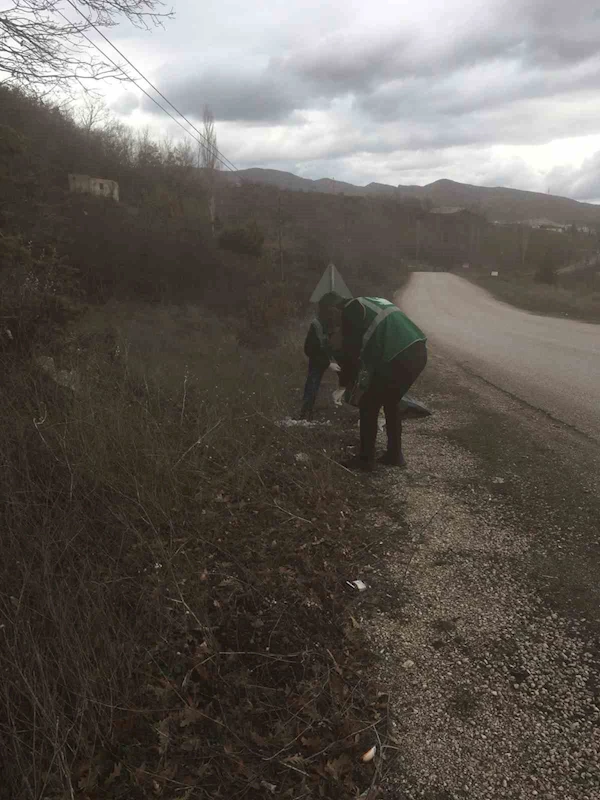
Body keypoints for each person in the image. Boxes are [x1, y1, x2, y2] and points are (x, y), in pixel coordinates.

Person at [334, 295, 427, 471]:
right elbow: (367, 356)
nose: (338, 326)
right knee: (391, 401)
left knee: (368, 403)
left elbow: (350, 353)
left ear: (336, 309)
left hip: (400, 355)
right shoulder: (370, 303)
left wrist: (344, 384)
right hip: (418, 351)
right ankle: (394, 455)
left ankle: (366, 459)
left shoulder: (350, 310)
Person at [299, 292, 344, 420]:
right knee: (313, 381)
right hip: (319, 355)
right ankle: (305, 413)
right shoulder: (316, 325)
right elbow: (309, 350)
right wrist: (328, 363)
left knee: (353, 378)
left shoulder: (341, 322)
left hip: (338, 355)